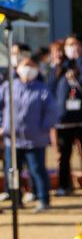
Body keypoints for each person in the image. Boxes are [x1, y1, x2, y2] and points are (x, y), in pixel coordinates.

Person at [1, 54, 58, 211]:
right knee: (12, 171)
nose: (27, 70)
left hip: (35, 139)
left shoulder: (42, 89)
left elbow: (52, 111)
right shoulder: (9, 87)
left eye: (31, 66)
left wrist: (43, 128)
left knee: (37, 169)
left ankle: (43, 199)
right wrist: (2, 126)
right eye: (24, 65)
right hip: (12, 139)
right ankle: (15, 199)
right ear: (17, 68)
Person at [53, 35, 82, 196]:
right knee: (64, 156)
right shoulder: (60, 66)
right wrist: (59, 63)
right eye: (70, 45)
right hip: (64, 120)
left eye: (76, 44)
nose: (73, 47)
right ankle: (63, 186)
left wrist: (80, 60)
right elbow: (51, 86)